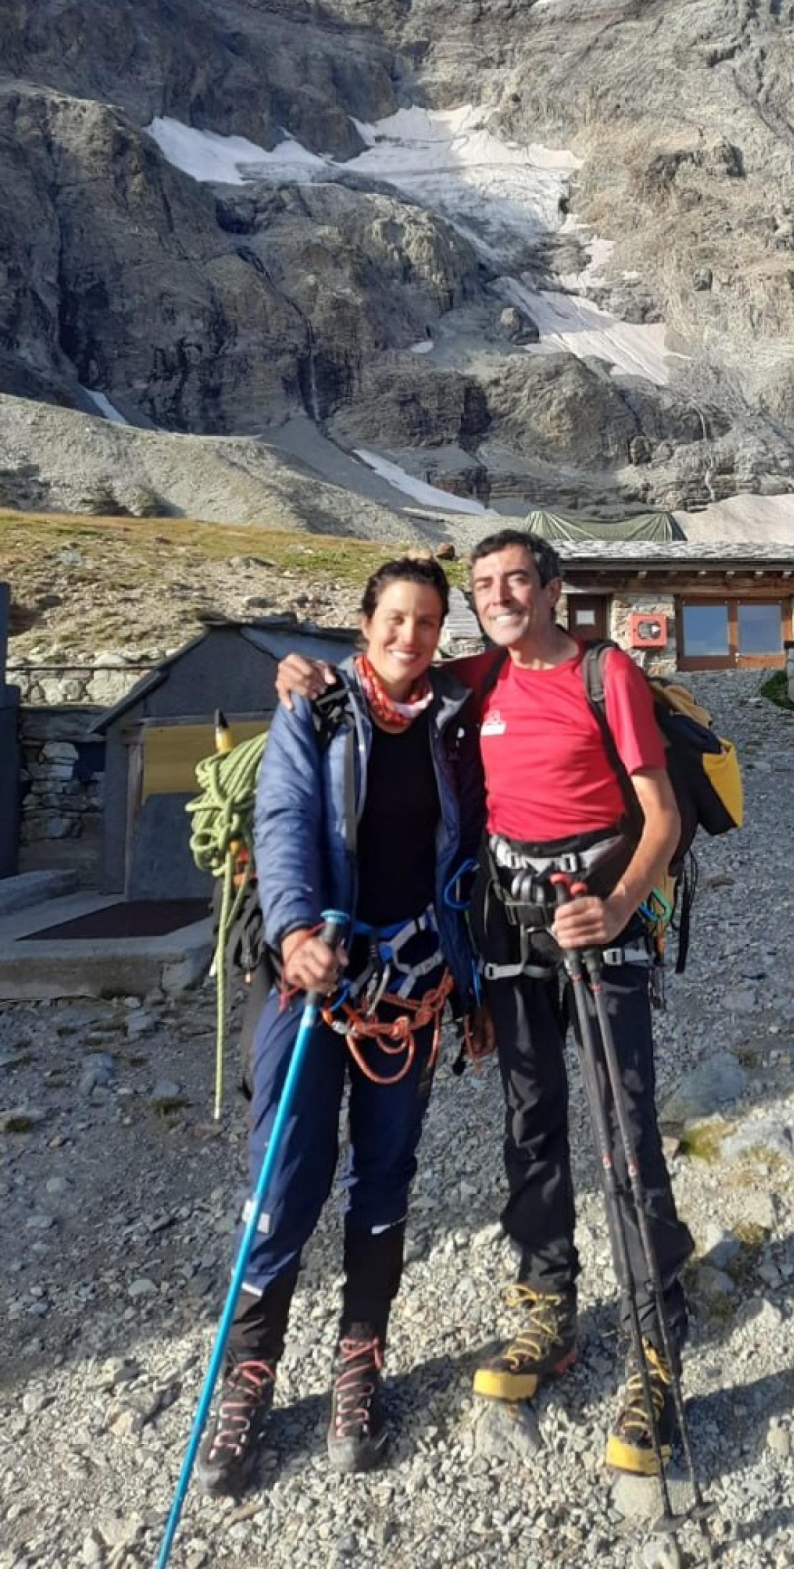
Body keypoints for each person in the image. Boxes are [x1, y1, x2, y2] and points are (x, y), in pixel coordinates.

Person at [277, 531, 693, 1477]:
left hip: (601, 923)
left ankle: (656, 1347)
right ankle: (548, 1305)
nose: (500, 596)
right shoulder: (475, 676)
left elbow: (660, 814)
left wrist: (620, 903)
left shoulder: (606, 676)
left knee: (624, 1128)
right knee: (531, 1121)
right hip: (508, 926)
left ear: (552, 589)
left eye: (516, 581)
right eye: (485, 585)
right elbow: (389, 667)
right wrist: (305, 673)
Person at [199, 555, 482, 1495]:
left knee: (386, 1175)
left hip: (409, 987)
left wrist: (472, 988)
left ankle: (359, 1355)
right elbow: (283, 819)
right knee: (285, 1173)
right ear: (365, 623)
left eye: (429, 622)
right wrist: (290, 930)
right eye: (397, 618)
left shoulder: (451, 721)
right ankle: (249, 1370)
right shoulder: (314, 708)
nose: (412, 637)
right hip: (312, 981)